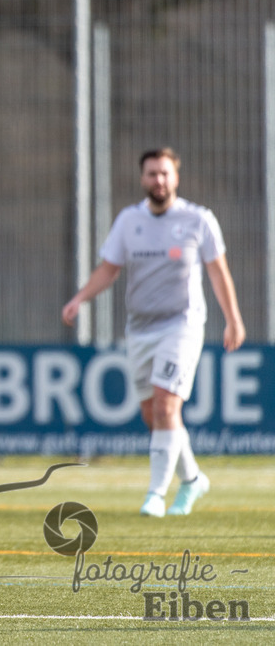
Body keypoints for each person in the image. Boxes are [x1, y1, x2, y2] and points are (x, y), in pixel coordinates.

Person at [62, 147, 245, 518]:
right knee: (154, 415)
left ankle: (155, 495)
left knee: (166, 404)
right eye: (151, 174)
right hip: (139, 329)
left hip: (182, 324)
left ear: (175, 177)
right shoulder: (130, 220)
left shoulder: (198, 219)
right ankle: (192, 479)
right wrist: (80, 298)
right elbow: (109, 269)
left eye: (164, 173)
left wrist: (233, 318)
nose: (158, 180)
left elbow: (218, 273)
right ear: (142, 178)